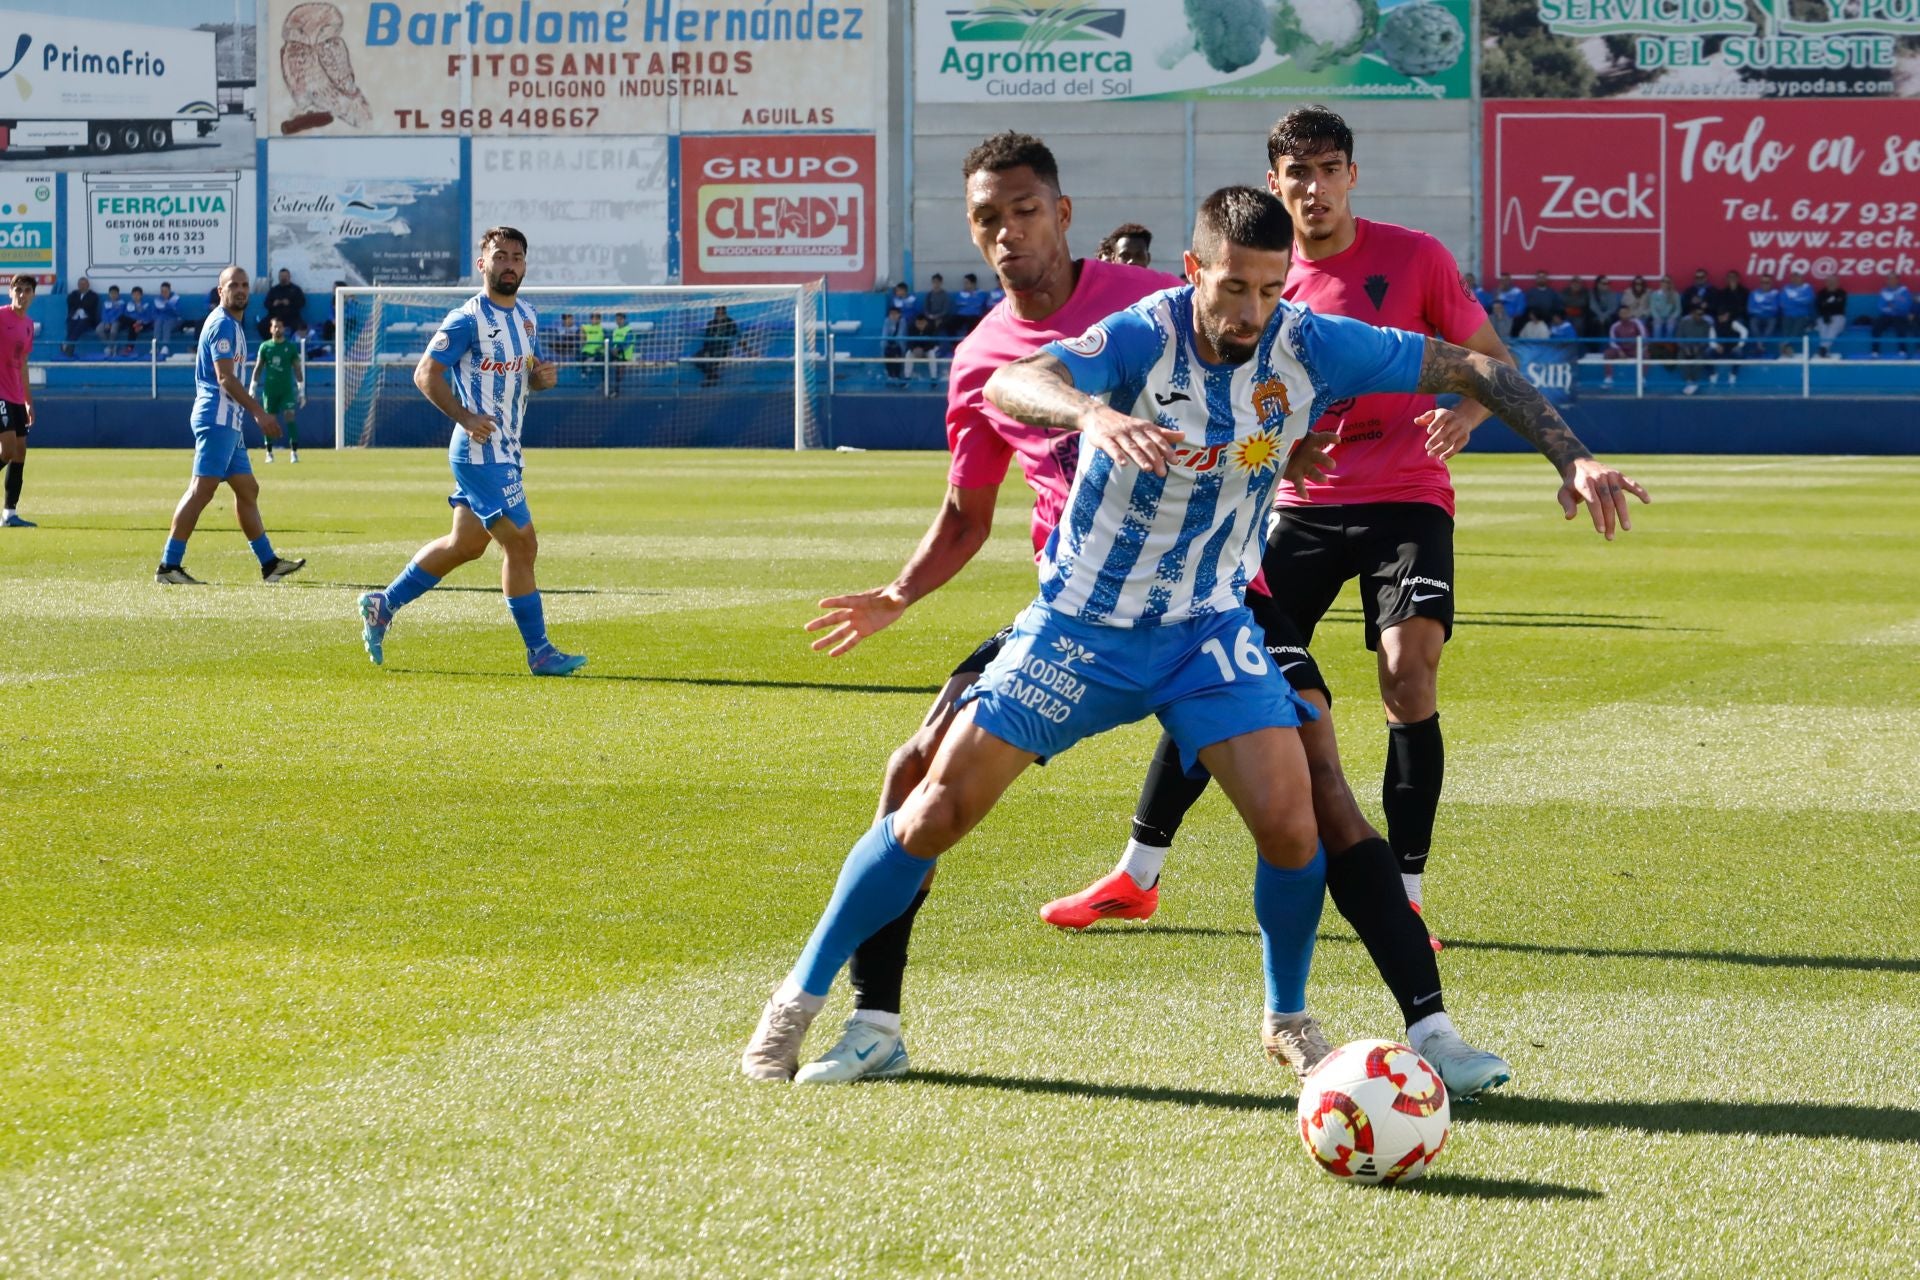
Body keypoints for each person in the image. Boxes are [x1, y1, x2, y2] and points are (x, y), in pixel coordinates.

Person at [747, 182, 1610, 1095]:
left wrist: (1575, 456)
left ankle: (1288, 1019)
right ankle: (797, 1004)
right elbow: (1013, 378)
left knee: (1291, 825)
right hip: (1083, 628)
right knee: (931, 812)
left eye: (1272, 288)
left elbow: (1477, 368)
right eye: (1234, 287)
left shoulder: (1314, 343)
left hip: (1208, 629)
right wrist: (1092, 412)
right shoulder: (1141, 336)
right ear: (1195, 269)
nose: (1253, 311)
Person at [1048, 105, 1648, 963]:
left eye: (1329, 170)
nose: (1314, 188)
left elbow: (1488, 360)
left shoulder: (1414, 259)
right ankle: (1137, 874)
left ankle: (1402, 896)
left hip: (1405, 497)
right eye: (1298, 173)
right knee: (1208, 665)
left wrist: (1485, 423)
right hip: (1297, 510)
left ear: (1351, 176)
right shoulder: (1256, 276)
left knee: (1409, 676)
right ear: (1274, 182)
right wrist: (1280, 448)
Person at [782, 131, 1181, 1084]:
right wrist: (897, 592)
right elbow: (967, 514)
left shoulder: (1155, 302)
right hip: (1075, 619)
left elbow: (1269, 374)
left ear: (1064, 212)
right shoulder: (980, 359)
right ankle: (876, 1022)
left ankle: (1418, 1032)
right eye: (987, 219)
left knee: (1317, 793)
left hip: (1200, 607)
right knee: (913, 768)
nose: (1007, 234)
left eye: (1025, 210)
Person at [355, 226, 583, 676]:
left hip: (508, 449)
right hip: (480, 450)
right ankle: (539, 651)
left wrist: (539, 379)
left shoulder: (527, 317)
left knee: (465, 545)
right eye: (500, 256)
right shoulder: (467, 319)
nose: (510, 264)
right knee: (523, 545)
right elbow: (425, 374)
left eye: (518, 256)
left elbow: (525, 374)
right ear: (483, 264)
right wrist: (464, 416)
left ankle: (383, 603)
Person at [153, 266, 305, 585]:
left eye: (245, 285)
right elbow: (225, 378)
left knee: (247, 489)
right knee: (201, 490)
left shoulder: (232, 324)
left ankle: (269, 564)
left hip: (228, 420)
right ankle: (169, 565)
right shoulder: (223, 324)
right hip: (218, 417)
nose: (240, 290)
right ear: (220, 290)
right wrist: (259, 413)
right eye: (233, 285)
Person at [0, 275, 38, 527]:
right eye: (18, 289)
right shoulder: (1, 316)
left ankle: (9, 514)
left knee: (20, 451)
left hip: (15, 394)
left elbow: (23, 364)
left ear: (33, 295)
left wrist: (28, 401)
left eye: (26, 290)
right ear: (10, 291)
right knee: (9, 448)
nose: (21, 294)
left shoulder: (28, 325)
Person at [250, 316, 304, 463]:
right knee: (269, 421)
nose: (277, 329)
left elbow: (297, 369)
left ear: (284, 329)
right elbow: (258, 368)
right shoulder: (265, 347)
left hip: (286, 390)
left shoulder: (291, 347)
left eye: (280, 327)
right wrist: (252, 388)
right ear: (270, 329)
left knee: (290, 416)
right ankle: (269, 453)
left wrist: (301, 390)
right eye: (275, 327)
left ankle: (294, 452)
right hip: (270, 390)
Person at [1674, 300, 1714, 394]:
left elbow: (1707, 340)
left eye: (1702, 314)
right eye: (1698, 314)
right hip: (1685, 348)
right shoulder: (1684, 323)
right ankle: (1689, 381)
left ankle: (1694, 382)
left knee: (1699, 360)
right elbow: (1679, 337)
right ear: (1692, 314)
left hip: (1699, 349)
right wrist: (1685, 348)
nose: (1700, 316)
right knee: (1681, 358)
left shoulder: (1706, 325)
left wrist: (1699, 348)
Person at [882, 282, 918, 382]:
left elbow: (914, 313)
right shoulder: (895, 301)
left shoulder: (912, 299)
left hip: (909, 325)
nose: (897, 292)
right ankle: (891, 375)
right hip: (898, 327)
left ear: (904, 290)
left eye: (898, 290)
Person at [1601, 310, 1646, 388]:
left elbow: (1644, 336)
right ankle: (1608, 378)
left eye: (1626, 313)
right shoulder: (1615, 326)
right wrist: (1619, 351)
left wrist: (1639, 349)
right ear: (1619, 315)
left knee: (1645, 355)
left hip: (1634, 349)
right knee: (1607, 353)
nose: (1624, 315)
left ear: (1630, 314)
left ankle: (1641, 379)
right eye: (1622, 313)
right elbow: (1612, 342)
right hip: (1621, 349)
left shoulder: (1637, 323)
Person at [1871, 272, 1912, 358]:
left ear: (1897, 280)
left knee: (1900, 327)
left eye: (1893, 278)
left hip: (1900, 315)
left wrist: (1894, 306)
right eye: (1889, 279)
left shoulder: (1904, 290)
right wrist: (1894, 307)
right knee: (1876, 325)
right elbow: (1881, 306)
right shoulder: (1884, 291)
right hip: (1887, 315)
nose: (1891, 280)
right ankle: (1875, 351)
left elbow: (1906, 306)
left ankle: (1902, 350)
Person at [261, 268, 308, 340]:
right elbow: (266, 304)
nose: (283, 278)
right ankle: (271, 343)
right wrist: (273, 304)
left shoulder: (295, 289)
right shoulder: (274, 290)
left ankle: (294, 346)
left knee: (302, 327)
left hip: (292, 316)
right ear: (279, 277)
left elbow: (302, 302)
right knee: (262, 325)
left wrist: (290, 303)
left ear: (289, 277)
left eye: (285, 276)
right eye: (281, 276)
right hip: (275, 317)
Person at [697, 304, 738, 386]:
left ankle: (710, 378)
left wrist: (749, 350)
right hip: (711, 348)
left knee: (712, 360)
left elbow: (737, 337)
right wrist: (706, 350)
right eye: (717, 313)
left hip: (723, 348)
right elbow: (707, 339)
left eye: (721, 313)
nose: (719, 315)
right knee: (697, 359)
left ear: (725, 313)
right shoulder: (711, 323)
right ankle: (712, 376)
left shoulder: (730, 323)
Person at [1779, 271, 1815, 356]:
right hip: (1787, 315)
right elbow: (1783, 302)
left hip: (1802, 315)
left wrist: (1792, 301)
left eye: (1797, 277)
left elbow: (1808, 300)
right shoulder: (1786, 288)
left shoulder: (1807, 287)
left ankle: (1785, 346)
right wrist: (1798, 301)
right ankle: (1788, 349)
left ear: (1802, 278)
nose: (1795, 279)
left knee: (1796, 330)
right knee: (1786, 332)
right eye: (1793, 277)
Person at [902, 312, 943, 384]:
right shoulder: (911, 327)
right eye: (918, 323)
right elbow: (909, 342)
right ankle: (907, 377)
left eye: (922, 323)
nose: (920, 325)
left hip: (927, 349)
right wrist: (914, 349)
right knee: (908, 354)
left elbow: (933, 343)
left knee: (932, 354)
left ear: (926, 323)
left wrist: (923, 350)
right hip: (915, 349)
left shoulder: (931, 328)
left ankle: (934, 378)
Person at [1710, 308, 1748, 384]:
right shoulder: (1714, 326)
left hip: (1732, 349)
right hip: (1720, 349)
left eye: (1723, 316)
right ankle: (1713, 373)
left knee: (1738, 352)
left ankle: (1733, 374)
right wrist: (1716, 346)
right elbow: (1711, 338)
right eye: (1719, 317)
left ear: (1727, 316)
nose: (1721, 318)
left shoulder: (1733, 323)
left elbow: (1744, 331)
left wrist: (1740, 345)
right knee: (1708, 352)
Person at [1814, 276, 1849, 357]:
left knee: (1833, 326)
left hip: (1838, 317)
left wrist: (1826, 304)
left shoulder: (1842, 293)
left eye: (1833, 282)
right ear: (1826, 283)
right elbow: (1819, 306)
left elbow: (1839, 306)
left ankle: (1823, 348)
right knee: (1823, 328)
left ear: (1837, 283)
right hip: (1823, 316)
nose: (1831, 283)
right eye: (1829, 281)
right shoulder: (1821, 293)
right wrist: (1828, 309)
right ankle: (1824, 350)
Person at [1747, 274, 1781, 356]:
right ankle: (1761, 345)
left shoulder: (1775, 293)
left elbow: (1775, 308)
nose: (1765, 284)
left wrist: (1760, 308)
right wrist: (1766, 307)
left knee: (1772, 323)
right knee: (1753, 322)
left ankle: (1759, 346)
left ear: (1771, 283)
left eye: (1767, 282)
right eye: (1763, 282)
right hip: (1757, 317)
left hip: (1770, 317)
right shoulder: (1754, 293)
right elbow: (1750, 309)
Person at [64, 276, 99, 357]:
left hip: (87, 318)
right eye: (80, 284)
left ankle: (68, 344)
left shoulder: (93, 295)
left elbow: (89, 305)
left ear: (88, 285)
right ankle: (70, 346)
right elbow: (70, 303)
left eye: (84, 284)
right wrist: (81, 304)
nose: (82, 286)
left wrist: (79, 304)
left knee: (80, 325)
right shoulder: (73, 294)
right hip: (74, 316)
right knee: (71, 325)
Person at [122, 286, 156, 356]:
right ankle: (136, 325)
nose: (135, 296)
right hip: (133, 323)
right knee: (123, 319)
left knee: (134, 327)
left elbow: (150, 316)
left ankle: (129, 347)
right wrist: (135, 321)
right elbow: (125, 315)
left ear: (141, 295)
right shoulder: (129, 304)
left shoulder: (146, 304)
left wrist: (141, 321)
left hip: (144, 323)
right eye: (134, 295)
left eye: (137, 295)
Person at [152, 282, 183, 358]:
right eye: (162, 291)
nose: (164, 293)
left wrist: (169, 306)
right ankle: (155, 346)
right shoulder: (158, 300)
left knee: (167, 324)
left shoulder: (176, 299)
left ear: (169, 291)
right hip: (161, 320)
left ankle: (165, 347)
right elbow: (154, 313)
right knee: (158, 322)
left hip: (174, 321)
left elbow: (179, 313)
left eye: (165, 291)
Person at [1647, 274, 1681, 340]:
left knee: (1671, 325)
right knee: (1657, 325)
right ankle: (1657, 346)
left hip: (1670, 317)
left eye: (1667, 282)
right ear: (1660, 282)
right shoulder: (1655, 294)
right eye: (1663, 281)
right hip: (1658, 317)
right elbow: (1652, 308)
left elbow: (1678, 309)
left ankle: (1668, 346)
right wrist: (1657, 317)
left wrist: (1672, 317)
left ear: (1670, 283)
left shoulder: (1675, 295)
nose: (1665, 283)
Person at [95, 286, 127, 351]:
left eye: (115, 293)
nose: (113, 295)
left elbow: (120, 314)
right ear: (109, 294)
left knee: (113, 331)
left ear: (118, 294)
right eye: (111, 293)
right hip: (105, 321)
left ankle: (109, 348)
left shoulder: (121, 303)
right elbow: (104, 314)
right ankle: (111, 346)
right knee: (98, 330)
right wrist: (107, 322)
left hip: (116, 321)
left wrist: (111, 322)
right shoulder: (106, 303)